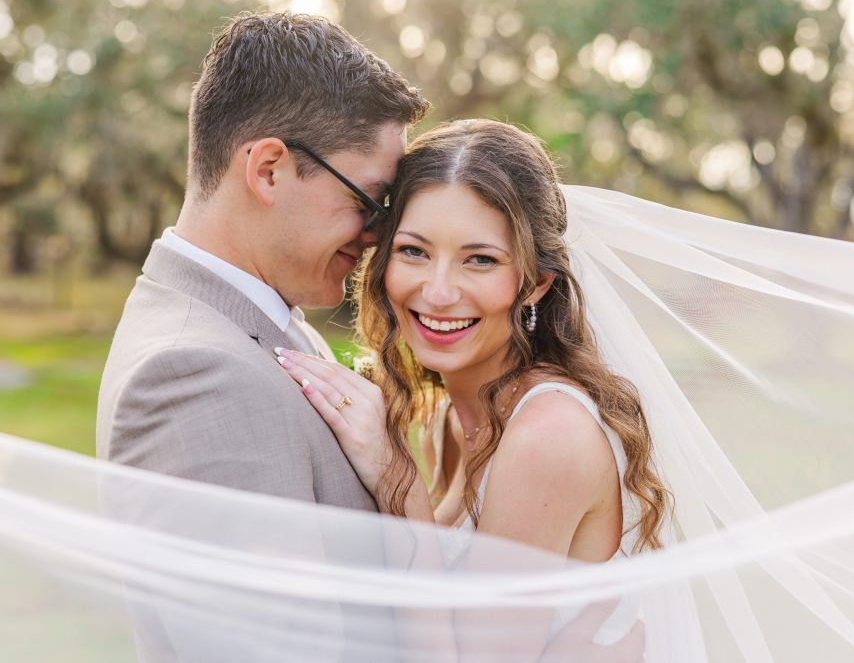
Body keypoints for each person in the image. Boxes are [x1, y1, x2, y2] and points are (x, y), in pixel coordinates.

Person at [275, 118, 673, 658]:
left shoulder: (547, 436)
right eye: (414, 250)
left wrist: (400, 483)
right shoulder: (448, 416)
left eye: (479, 259)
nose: (437, 292)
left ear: (534, 283)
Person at [96, 11, 427, 508]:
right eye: (369, 202)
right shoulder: (198, 378)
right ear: (269, 170)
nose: (379, 235)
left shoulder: (267, 318)